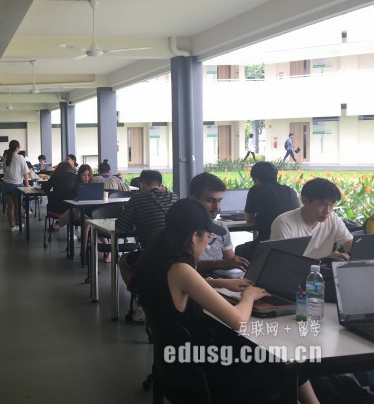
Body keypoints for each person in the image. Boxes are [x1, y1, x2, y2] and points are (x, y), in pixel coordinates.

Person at [132, 199, 319, 404]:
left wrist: (220, 282)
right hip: (208, 374)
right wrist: (249, 296)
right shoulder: (182, 269)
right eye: (209, 237)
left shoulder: (155, 261)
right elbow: (238, 321)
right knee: (282, 362)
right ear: (194, 237)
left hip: (178, 367)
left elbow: (180, 285)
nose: (207, 243)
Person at [116, 170, 179, 321]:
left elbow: (121, 228)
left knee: (123, 260)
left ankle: (140, 298)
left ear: (142, 185)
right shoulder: (174, 197)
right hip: (177, 255)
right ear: (160, 184)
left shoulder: (137, 199)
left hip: (151, 256)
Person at [270, 177, 353, 260]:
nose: (327, 211)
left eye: (331, 205)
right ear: (305, 201)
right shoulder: (284, 223)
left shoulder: (333, 218)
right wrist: (324, 260)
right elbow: (284, 263)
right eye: (323, 205)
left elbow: (351, 245)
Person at [189, 173, 249, 278]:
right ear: (193, 199)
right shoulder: (182, 227)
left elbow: (230, 261)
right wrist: (218, 264)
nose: (217, 207)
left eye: (219, 201)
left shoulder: (220, 227)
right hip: (196, 281)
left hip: (222, 280)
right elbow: (182, 265)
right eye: (210, 200)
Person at [244, 161, 299, 242]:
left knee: (239, 248)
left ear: (256, 180)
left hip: (268, 242)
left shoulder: (255, 190)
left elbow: (249, 219)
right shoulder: (290, 191)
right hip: (295, 241)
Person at [2, 140, 30, 232]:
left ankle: (12, 226)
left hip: (6, 185)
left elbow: (4, 171)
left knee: (10, 206)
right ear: (17, 148)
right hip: (16, 185)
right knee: (18, 206)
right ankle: (18, 224)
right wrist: (27, 185)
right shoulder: (20, 157)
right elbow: (26, 173)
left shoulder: (6, 157)